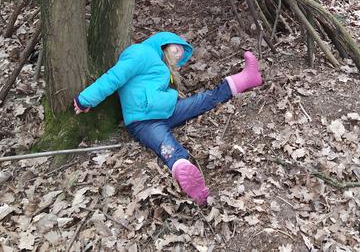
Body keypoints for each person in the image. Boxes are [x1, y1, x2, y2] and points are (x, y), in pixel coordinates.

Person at [73, 32, 264, 205]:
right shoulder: (140, 53)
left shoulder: (157, 64)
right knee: (166, 146)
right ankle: (192, 183)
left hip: (167, 111)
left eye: (181, 55)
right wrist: (85, 99)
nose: (178, 55)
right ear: (164, 42)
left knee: (202, 100)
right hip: (143, 121)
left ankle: (246, 78)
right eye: (177, 49)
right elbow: (114, 77)